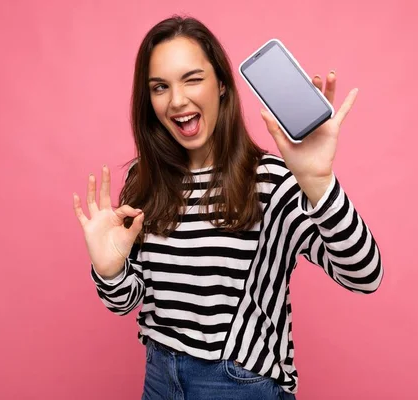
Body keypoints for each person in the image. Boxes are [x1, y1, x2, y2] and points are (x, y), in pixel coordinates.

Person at [73, 15, 383, 400]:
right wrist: (110, 271)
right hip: (159, 379)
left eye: (192, 79)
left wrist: (319, 184)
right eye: (160, 87)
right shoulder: (145, 178)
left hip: (239, 385)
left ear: (221, 84)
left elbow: (364, 275)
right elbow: (128, 301)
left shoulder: (270, 179)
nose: (177, 100)